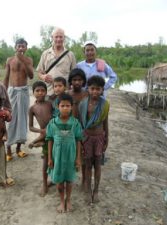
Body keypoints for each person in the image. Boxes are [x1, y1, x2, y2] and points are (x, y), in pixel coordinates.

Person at [46, 93, 82, 213]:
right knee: (59, 181)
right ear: (57, 107)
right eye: (62, 105)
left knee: (69, 180)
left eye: (68, 106)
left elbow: (78, 141)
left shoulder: (75, 123)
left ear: (72, 107)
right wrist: (50, 158)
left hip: (71, 156)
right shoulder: (52, 123)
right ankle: (62, 201)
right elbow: (49, 140)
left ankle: (68, 200)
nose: (65, 108)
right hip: (57, 156)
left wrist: (78, 158)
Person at [78, 76, 110, 204]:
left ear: (102, 90)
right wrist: (80, 140)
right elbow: (81, 123)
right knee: (87, 165)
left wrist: (107, 138)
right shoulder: (83, 104)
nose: (95, 92)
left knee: (97, 164)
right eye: (92, 89)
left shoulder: (105, 104)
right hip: (86, 137)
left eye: (98, 89)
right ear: (88, 89)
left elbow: (105, 122)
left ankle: (96, 190)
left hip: (99, 138)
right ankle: (87, 189)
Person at [4, 38, 34, 161]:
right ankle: (8, 150)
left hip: (24, 91)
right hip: (12, 91)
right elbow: (6, 77)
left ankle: (18, 149)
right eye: (19, 46)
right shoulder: (9, 60)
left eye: (23, 46)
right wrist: (3, 94)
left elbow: (31, 75)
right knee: (10, 120)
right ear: (15, 47)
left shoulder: (28, 60)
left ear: (26, 48)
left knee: (22, 120)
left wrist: (23, 61)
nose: (21, 48)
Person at [28, 81, 53, 197]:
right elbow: (31, 127)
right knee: (45, 161)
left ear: (46, 92)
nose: (40, 93)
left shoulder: (50, 104)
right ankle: (44, 184)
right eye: (37, 91)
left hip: (55, 134)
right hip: (44, 134)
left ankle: (53, 179)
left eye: (43, 90)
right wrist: (41, 131)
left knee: (55, 158)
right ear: (33, 93)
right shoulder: (32, 108)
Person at [37, 27, 76, 94]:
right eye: (56, 37)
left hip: (65, 93)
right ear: (52, 38)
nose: (58, 39)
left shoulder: (70, 55)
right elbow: (39, 72)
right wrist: (43, 77)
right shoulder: (45, 54)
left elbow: (74, 74)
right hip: (49, 91)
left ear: (64, 38)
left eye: (61, 37)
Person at [67, 68, 88, 188]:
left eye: (80, 80)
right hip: (70, 128)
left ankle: (84, 180)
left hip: (84, 128)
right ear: (70, 81)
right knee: (70, 154)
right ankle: (68, 178)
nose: (77, 82)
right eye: (74, 80)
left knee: (84, 155)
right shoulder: (67, 94)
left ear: (83, 81)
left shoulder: (86, 94)